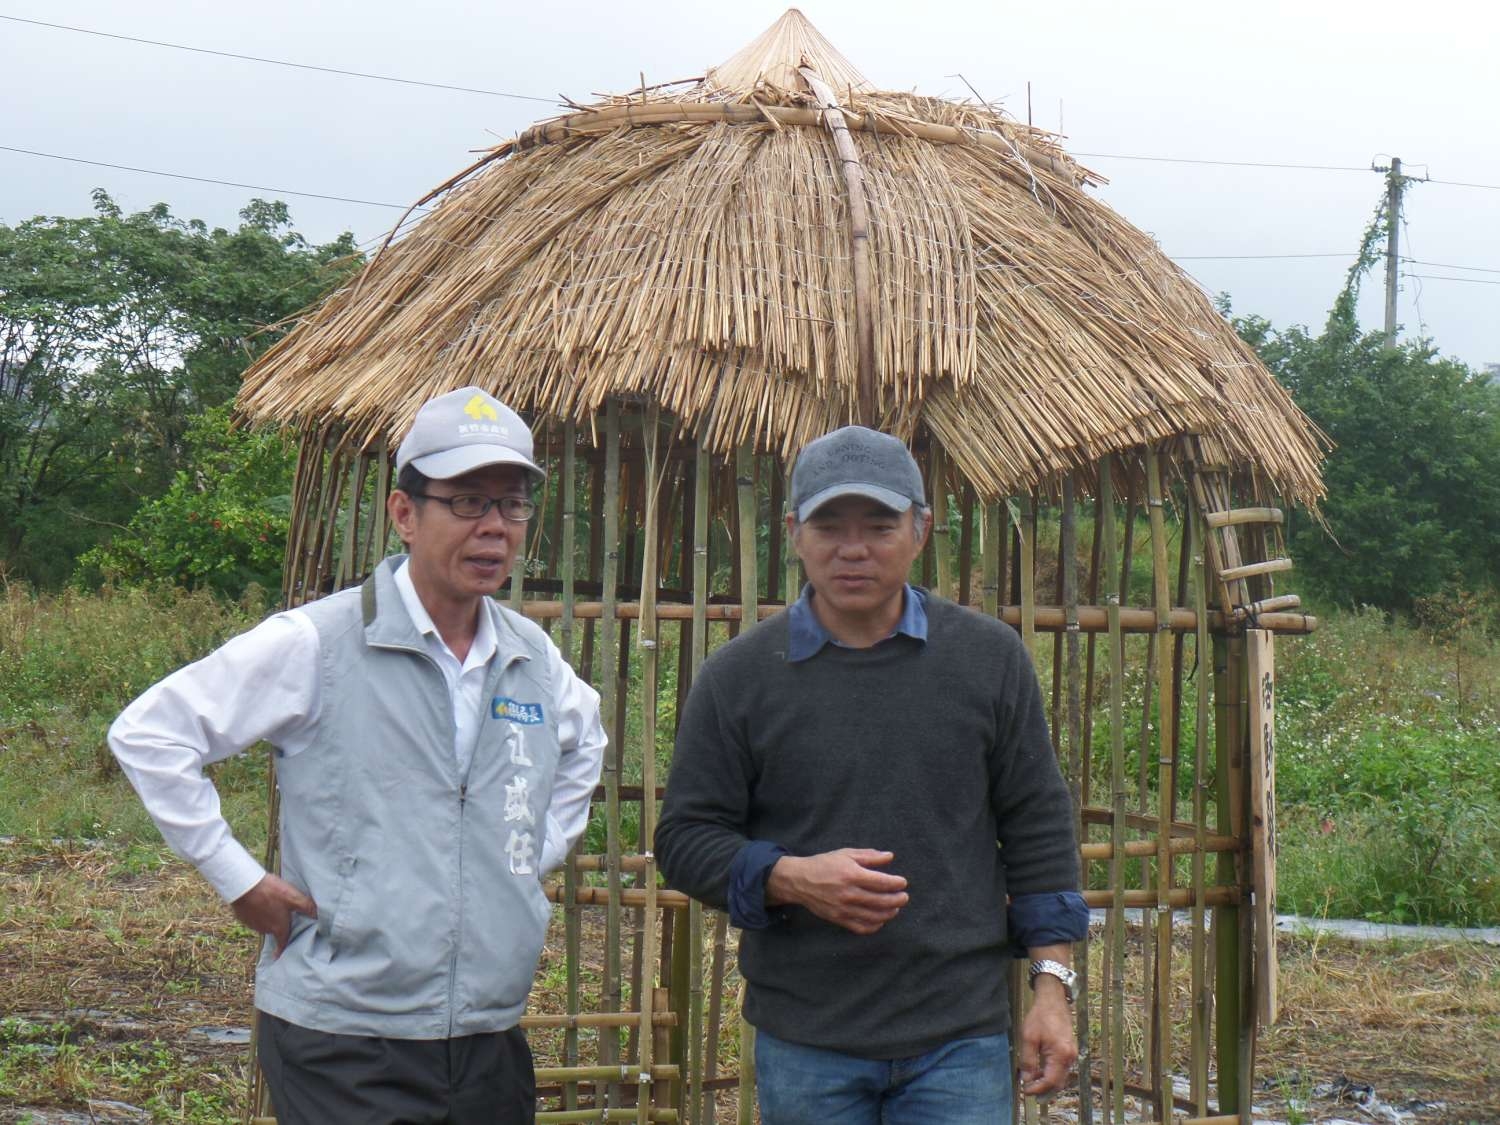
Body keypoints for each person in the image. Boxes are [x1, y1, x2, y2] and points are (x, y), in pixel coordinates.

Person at [109, 386, 606, 1124]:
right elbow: (151, 732)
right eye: (467, 502)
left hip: (485, 1032)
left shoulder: (531, 655)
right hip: (344, 1036)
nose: (495, 527)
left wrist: (518, 863)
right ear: (404, 513)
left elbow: (583, 743)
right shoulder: (318, 642)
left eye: (512, 503)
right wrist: (238, 877)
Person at [655, 425, 1088, 1124]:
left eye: (879, 525)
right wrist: (789, 876)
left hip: (961, 1037)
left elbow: (1037, 826)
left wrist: (1051, 986)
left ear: (919, 529)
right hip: (807, 1039)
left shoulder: (988, 660)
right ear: (794, 531)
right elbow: (684, 838)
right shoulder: (739, 677)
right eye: (829, 524)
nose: (852, 548)